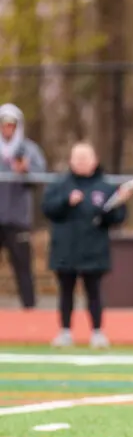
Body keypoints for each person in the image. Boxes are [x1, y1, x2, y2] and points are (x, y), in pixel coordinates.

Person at [42, 142, 133, 349]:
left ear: (95, 160)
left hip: (94, 248)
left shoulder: (105, 186)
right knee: (65, 291)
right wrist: (66, 201)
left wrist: (117, 205)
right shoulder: (60, 185)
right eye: (78, 158)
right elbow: (47, 209)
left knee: (94, 292)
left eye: (86, 158)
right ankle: (65, 331)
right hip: (65, 248)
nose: (82, 162)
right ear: (71, 160)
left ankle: (97, 332)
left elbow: (117, 218)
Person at [0, 103, 46, 309]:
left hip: (18, 218)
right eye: (3, 124)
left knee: (23, 266)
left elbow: (40, 180)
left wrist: (26, 172)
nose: (7, 128)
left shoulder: (29, 150)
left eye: (11, 124)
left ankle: (29, 310)